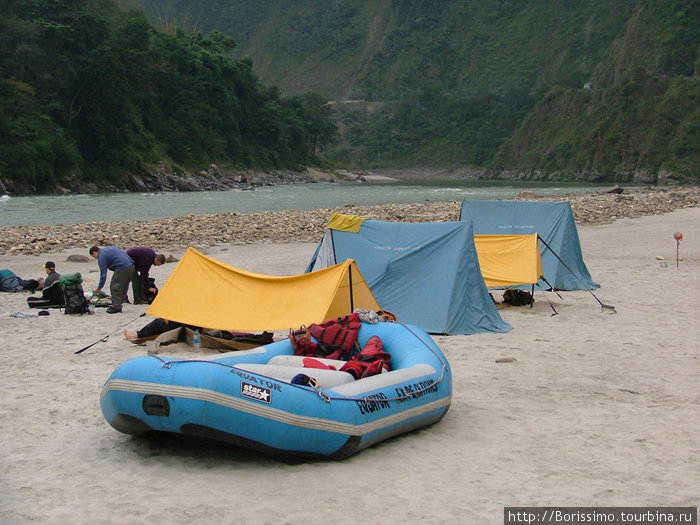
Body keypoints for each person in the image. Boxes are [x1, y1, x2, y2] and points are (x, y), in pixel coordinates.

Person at [89, 245, 135, 314]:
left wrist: (99, 288)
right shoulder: (109, 248)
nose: (95, 258)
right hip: (131, 265)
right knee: (124, 285)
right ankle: (119, 302)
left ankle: (116, 307)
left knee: (115, 286)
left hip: (122, 267)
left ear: (94, 252)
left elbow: (103, 275)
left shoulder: (101, 256)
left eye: (93, 256)